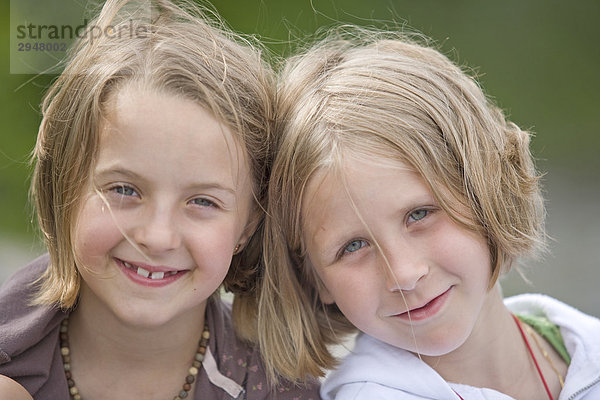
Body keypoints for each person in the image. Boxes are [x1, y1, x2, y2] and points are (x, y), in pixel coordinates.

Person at [257, 28, 600, 399]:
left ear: (486, 189)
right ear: (313, 277)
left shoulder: (581, 343)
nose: (403, 275)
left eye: (419, 214)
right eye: (353, 246)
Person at [0, 1, 320, 399]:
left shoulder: (277, 390)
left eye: (202, 201)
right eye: (124, 190)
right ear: (63, 188)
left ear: (249, 223)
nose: (157, 236)